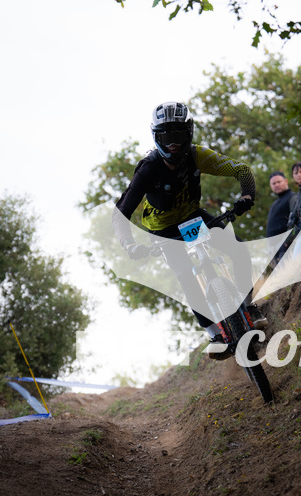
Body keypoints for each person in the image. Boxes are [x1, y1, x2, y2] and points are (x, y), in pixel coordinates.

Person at [112, 101, 267, 359]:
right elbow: (120, 214)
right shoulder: (148, 169)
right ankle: (213, 333)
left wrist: (246, 196)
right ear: (156, 138)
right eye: (166, 137)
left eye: (178, 136)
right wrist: (129, 245)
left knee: (238, 249)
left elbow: (241, 170)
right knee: (185, 275)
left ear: (189, 133)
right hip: (163, 230)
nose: (173, 144)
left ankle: (248, 307)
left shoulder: (197, 156)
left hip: (193, 219)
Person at [266, 170, 297, 265]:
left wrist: (286, 243)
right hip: (275, 250)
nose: (276, 185)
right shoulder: (275, 203)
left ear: (286, 181)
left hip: (286, 246)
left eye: (279, 182)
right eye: (273, 183)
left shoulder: (292, 197)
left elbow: (296, 220)